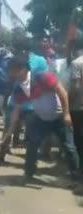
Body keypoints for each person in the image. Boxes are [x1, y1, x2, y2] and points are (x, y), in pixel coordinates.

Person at [3, 55, 80, 180]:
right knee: (32, 144)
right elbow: (16, 112)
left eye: (12, 70)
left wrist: (66, 114)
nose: (11, 73)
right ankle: (29, 172)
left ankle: (76, 176)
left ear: (22, 69)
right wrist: (9, 132)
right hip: (41, 118)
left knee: (69, 147)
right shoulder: (18, 88)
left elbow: (62, 92)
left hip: (59, 116)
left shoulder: (43, 77)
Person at [68, 39, 83, 173]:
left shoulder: (76, 63)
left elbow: (75, 87)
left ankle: (79, 171)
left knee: (78, 139)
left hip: (78, 107)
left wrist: (67, 101)